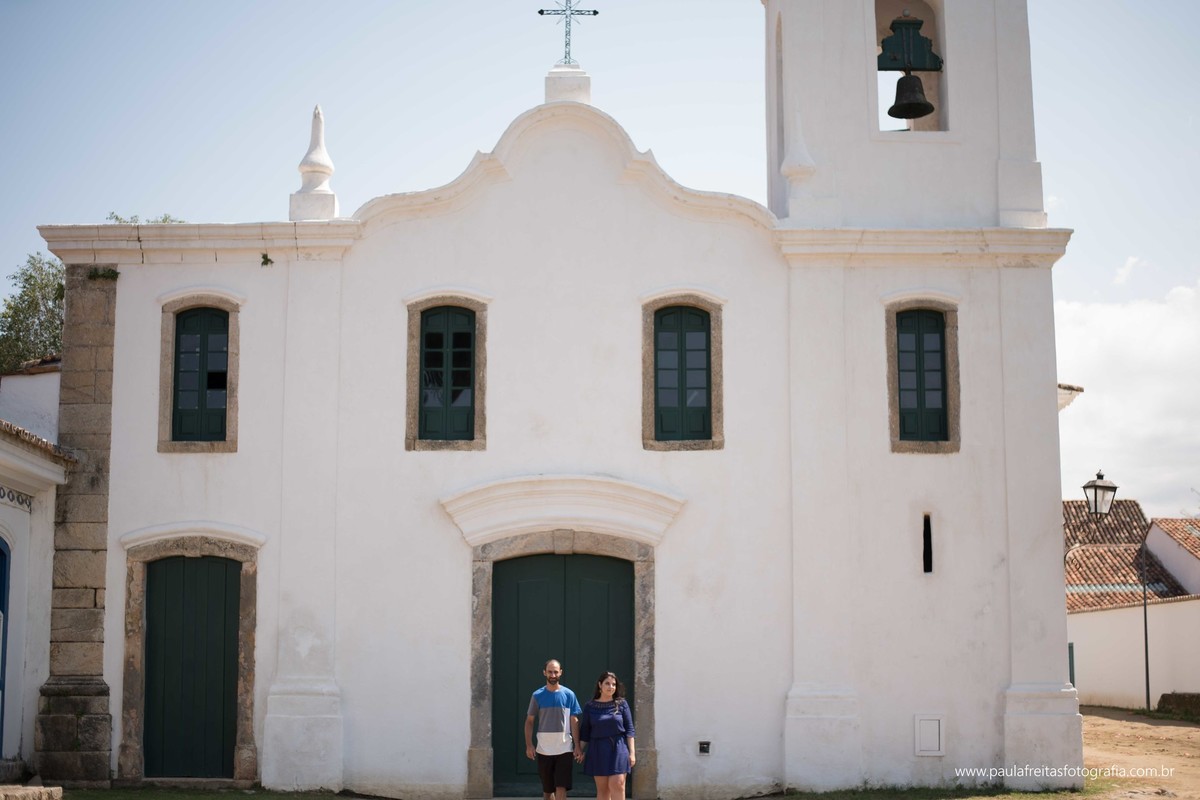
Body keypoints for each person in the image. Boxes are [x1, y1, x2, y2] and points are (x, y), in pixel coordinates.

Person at [525, 659, 583, 800]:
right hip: (544, 749)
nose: (553, 674)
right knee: (547, 790)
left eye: (555, 672)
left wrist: (577, 746)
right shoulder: (537, 695)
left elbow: (574, 720)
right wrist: (529, 745)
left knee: (561, 786)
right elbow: (529, 721)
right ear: (544, 672)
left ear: (560, 673)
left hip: (564, 748)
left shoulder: (569, 695)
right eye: (550, 671)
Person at [576, 671, 636, 800]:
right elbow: (585, 731)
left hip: (619, 748)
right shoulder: (590, 706)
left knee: (618, 784)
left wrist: (632, 753)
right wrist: (579, 749)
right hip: (598, 749)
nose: (611, 687)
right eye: (607, 684)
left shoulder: (622, 704)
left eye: (614, 684)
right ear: (600, 685)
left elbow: (630, 730)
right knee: (603, 790)